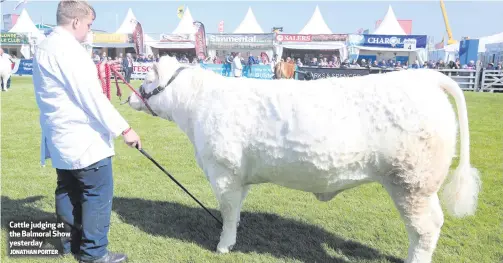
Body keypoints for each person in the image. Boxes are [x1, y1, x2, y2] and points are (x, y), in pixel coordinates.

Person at [32, 1, 141, 262]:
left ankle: (69, 243)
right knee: (97, 193)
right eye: (89, 25)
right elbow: (91, 97)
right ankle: (94, 253)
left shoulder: (45, 45)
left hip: (59, 135)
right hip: (82, 138)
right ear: (76, 22)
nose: (89, 31)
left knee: (67, 189)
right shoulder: (69, 50)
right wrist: (125, 128)